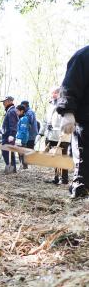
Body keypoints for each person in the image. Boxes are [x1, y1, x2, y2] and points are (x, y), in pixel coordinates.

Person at [57, 45, 89, 198]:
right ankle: (80, 190)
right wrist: (67, 111)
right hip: (86, 123)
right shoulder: (84, 56)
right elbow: (70, 84)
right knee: (84, 163)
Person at [39, 87, 71, 184]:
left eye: (55, 93)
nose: (53, 95)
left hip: (63, 137)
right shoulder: (50, 106)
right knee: (54, 156)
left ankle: (64, 179)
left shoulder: (65, 105)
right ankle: (56, 177)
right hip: (52, 135)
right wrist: (41, 133)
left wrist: (64, 131)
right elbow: (45, 121)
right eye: (52, 93)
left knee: (63, 157)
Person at [0, 95, 18, 173]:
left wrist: (12, 134)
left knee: (6, 151)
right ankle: (12, 168)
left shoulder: (12, 111)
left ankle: (10, 167)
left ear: (10, 101)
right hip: (6, 135)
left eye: (5, 101)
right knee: (9, 151)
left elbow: (13, 124)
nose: (3, 103)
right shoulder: (10, 110)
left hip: (9, 135)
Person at [19, 100, 38, 168]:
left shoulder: (29, 112)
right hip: (28, 134)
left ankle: (26, 164)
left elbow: (28, 122)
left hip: (30, 134)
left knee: (27, 148)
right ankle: (24, 164)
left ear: (25, 105)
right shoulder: (27, 112)